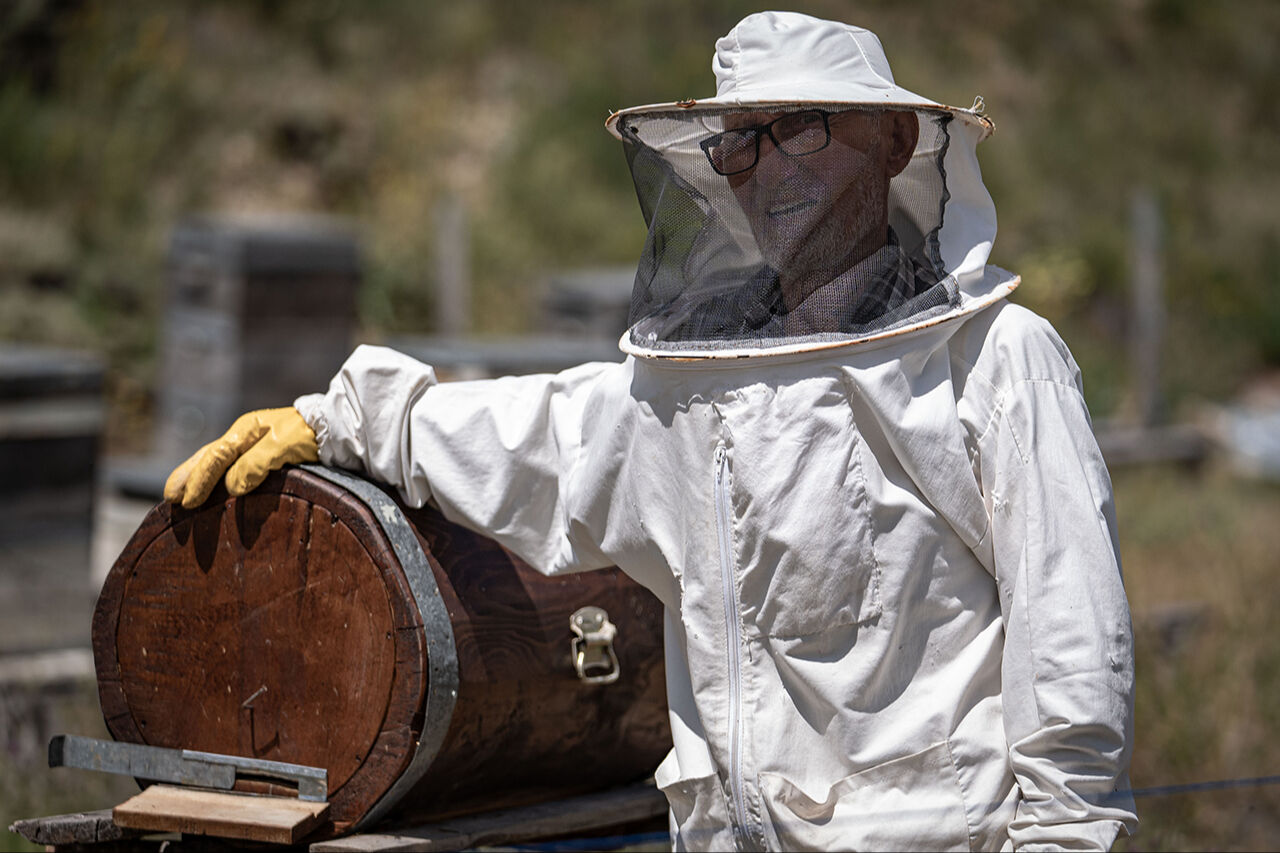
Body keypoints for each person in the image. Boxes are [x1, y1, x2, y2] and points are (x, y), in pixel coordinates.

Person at [165, 11, 1137, 851]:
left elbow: (1070, 647)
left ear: (891, 142)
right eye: (737, 143)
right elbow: (533, 434)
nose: (762, 168)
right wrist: (337, 419)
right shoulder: (685, 391)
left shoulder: (994, 359)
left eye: (798, 126)